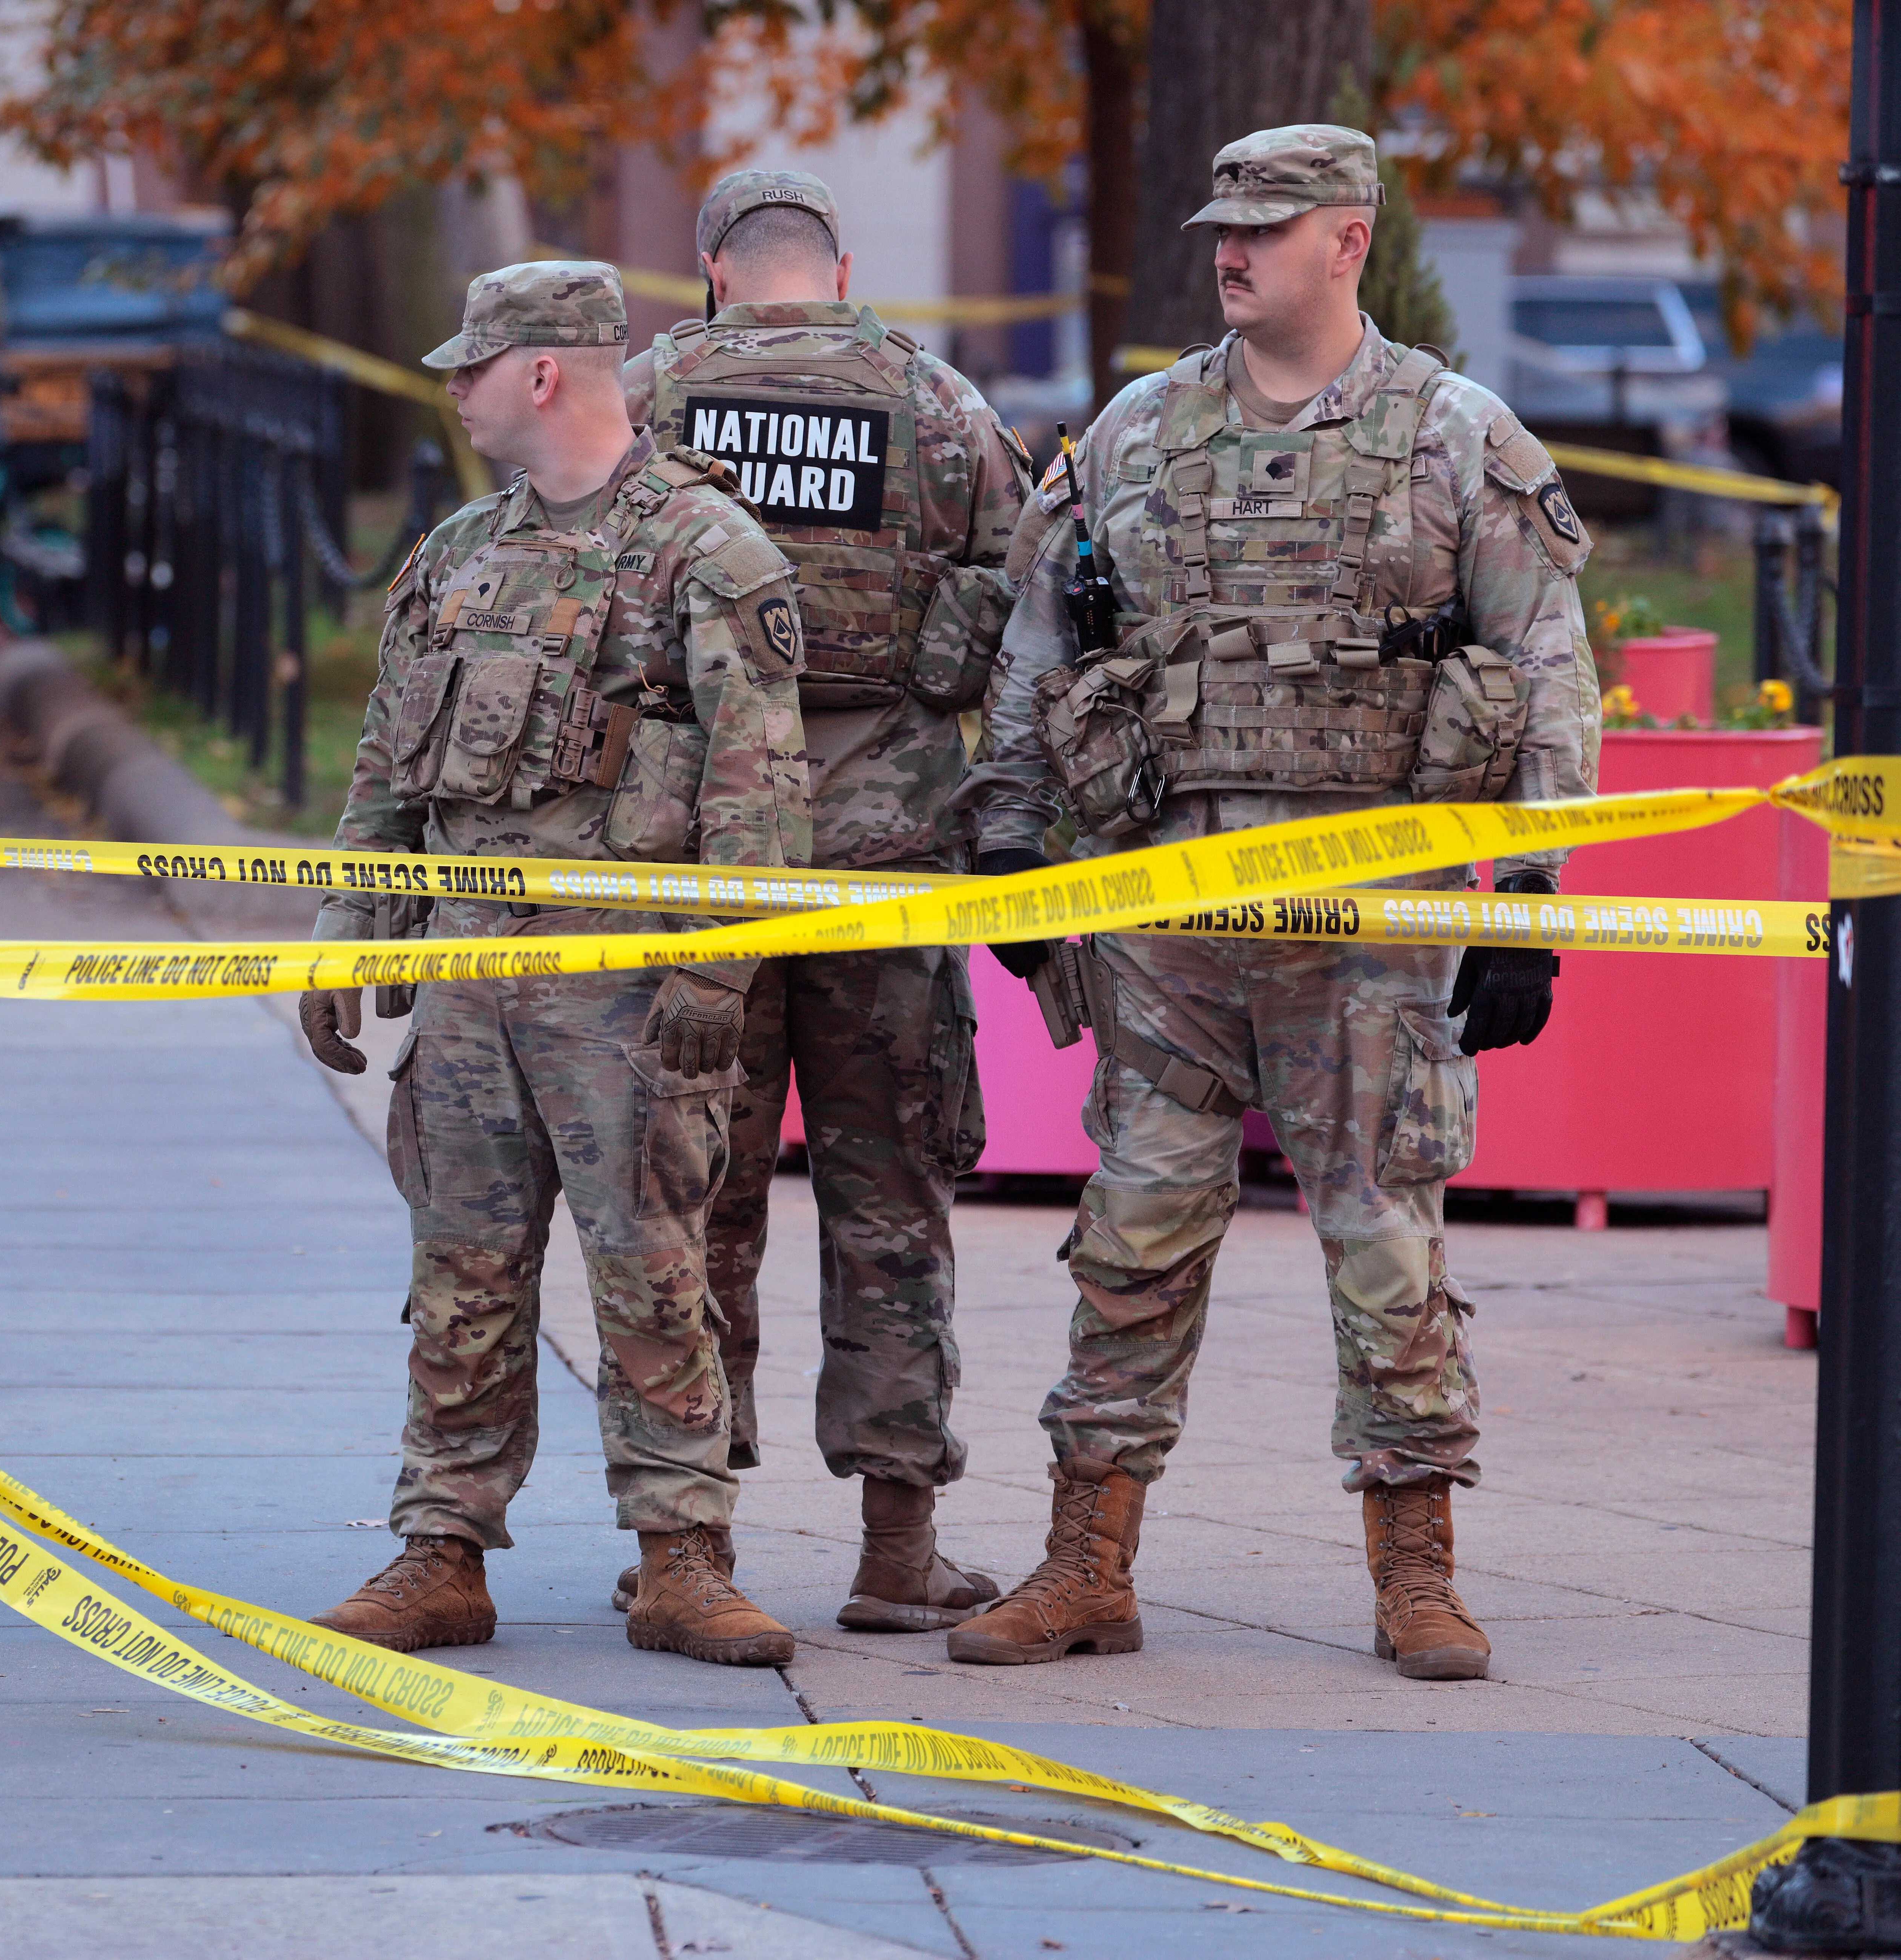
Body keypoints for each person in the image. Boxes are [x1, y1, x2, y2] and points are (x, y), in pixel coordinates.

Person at [948, 125, 1596, 1682]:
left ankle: (1415, 1572)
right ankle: (1083, 1565)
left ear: (1348, 239)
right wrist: (1011, 855)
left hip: (1375, 927)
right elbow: (1038, 656)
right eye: (1218, 225)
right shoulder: (1133, 435)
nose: (1230, 250)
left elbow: (1548, 671)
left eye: (1265, 225)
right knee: (1130, 1238)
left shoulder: (1454, 437)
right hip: (1173, 929)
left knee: (1386, 1250)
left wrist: (1528, 894)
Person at [297, 261, 813, 1667]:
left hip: (623, 988)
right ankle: (441, 1549)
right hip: (469, 976)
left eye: (471, 365)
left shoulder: (705, 550)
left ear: (541, 373)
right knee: (461, 1262)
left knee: (651, 1259)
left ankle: (682, 1557)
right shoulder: (458, 552)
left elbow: (758, 785)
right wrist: (353, 927)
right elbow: (389, 773)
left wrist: (718, 972)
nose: (450, 388)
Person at [615, 170, 1026, 1635]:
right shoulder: (937, 404)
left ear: (711, 267)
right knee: (888, 1194)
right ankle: (896, 1547)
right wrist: (918, 682)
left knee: (693, 1196)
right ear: (840, 268)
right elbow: (1015, 594)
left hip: (702, 868)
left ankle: (689, 1543)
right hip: (888, 846)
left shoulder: (646, 395)